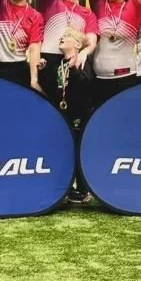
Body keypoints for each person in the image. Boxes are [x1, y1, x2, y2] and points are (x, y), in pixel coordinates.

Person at [50, 27, 95, 205]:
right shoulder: (61, 64)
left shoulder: (82, 60)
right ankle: (68, 188)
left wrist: (75, 69)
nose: (61, 38)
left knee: (78, 150)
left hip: (80, 112)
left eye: (67, 37)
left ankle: (83, 190)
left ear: (77, 44)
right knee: (66, 150)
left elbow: (87, 83)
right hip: (65, 112)